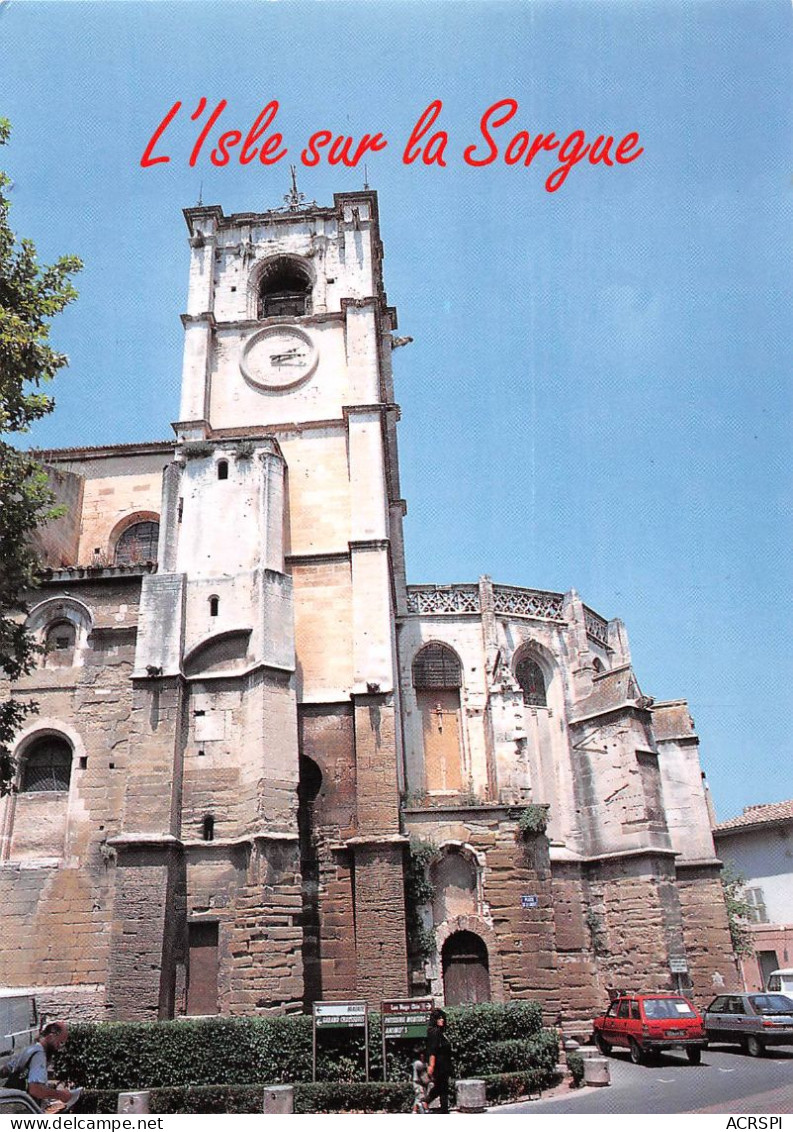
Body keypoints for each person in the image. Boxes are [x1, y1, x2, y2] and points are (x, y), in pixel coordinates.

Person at [4, 1022, 78, 1111]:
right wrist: (62, 1095)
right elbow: (35, 1090)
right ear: (51, 1036)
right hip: (22, 1109)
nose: (59, 1047)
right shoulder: (39, 1055)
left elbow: (5, 1070)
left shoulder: (30, 1049)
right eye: (60, 1042)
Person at [425, 1008, 453, 1114]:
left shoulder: (440, 1032)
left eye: (442, 1018)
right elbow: (432, 1050)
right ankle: (441, 1108)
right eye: (439, 1018)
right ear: (435, 1019)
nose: (442, 1020)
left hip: (444, 1064)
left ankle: (442, 1108)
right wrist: (431, 1066)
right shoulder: (434, 1032)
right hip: (439, 1064)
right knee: (442, 1087)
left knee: (441, 1087)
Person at [411, 1049, 430, 1113]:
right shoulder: (418, 1063)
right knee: (421, 1097)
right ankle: (426, 1110)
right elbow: (421, 1074)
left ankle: (414, 1111)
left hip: (422, 1083)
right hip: (418, 1083)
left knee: (418, 1098)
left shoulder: (424, 1063)